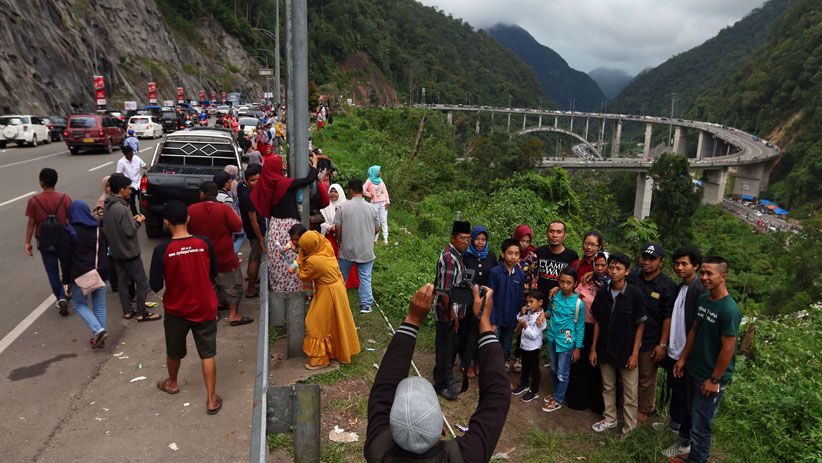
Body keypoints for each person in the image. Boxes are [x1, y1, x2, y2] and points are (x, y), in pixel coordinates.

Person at [364, 284, 510, 462]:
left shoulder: (378, 450)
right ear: (442, 427)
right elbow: (498, 396)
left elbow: (383, 389)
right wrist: (484, 320)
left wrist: (413, 319)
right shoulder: (464, 457)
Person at [150, 201, 222, 415]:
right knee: (207, 353)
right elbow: (214, 272)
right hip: (205, 306)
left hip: (176, 310)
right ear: (188, 219)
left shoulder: (162, 250)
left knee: (174, 350)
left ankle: (172, 382)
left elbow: (155, 285)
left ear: (166, 222)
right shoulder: (204, 243)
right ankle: (211, 400)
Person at [673, 256, 741, 463]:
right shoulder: (704, 299)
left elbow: (728, 349)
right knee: (690, 413)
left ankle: (697, 459)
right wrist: (683, 357)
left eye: (709, 273)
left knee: (701, 425)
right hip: (694, 368)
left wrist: (715, 380)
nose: (703, 277)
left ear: (723, 277)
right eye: (702, 272)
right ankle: (689, 453)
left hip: (709, 377)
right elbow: (694, 329)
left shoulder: (729, 310)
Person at [589, 252, 646, 435]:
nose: (613, 271)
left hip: (626, 351)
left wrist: (635, 353)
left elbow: (640, 325)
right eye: (611, 267)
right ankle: (610, 419)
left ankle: (630, 429)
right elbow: (597, 321)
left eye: (618, 268)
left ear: (627, 271)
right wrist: (593, 349)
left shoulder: (635, 294)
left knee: (630, 393)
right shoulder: (603, 293)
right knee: (608, 386)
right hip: (605, 348)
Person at [251, 153, 319, 294]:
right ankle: (295, 297)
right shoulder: (284, 184)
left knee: (277, 263)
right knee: (294, 260)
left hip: (275, 227)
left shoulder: (265, 184)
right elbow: (308, 179)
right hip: (289, 228)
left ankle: (278, 298)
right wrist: (315, 164)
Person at [662, 246, 706, 459]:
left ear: (695, 266)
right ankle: (674, 424)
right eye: (677, 264)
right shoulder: (681, 288)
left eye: (684, 264)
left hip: (687, 356)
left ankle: (684, 443)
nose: (679, 267)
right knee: (677, 391)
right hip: (675, 350)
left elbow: (697, 328)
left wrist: (684, 356)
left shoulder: (700, 291)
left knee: (688, 399)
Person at [188, 182, 251, 326]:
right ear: (216, 194)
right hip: (225, 256)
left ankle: (214, 313)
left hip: (203, 256)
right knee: (233, 284)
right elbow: (238, 226)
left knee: (210, 284)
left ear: (202, 194)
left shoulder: (191, 210)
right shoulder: (224, 209)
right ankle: (233, 314)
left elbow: (187, 229)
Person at [296, 231, 361, 369]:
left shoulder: (314, 261)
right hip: (337, 287)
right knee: (334, 321)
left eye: (304, 248)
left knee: (315, 323)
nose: (302, 251)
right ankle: (335, 352)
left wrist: (298, 261)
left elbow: (303, 275)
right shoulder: (325, 247)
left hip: (328, 291)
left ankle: (320, 359)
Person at [628, 242, 677, 423]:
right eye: (644, 257)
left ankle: (644, 409)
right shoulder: (633, 275)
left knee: (646, 377)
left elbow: (668, 316)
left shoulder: (667, 285)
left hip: (651, 338)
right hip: (629, 335)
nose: (646, 262)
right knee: (627, 373)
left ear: (661, 262)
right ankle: (627, 405)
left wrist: (662, 344)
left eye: (652, 259)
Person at [102, 175, 160, 322]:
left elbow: (112, 227)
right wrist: (139, 221)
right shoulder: (122, 208)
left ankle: (127, 310)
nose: (130, 191)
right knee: (142, 282)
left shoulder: (107, 205)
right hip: (129, 252)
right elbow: (129, 231)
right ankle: (142, 312)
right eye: (128, 188)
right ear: (121, 190)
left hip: (116, 251)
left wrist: (131, 220)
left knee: (123, 282)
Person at [59, 200, 110, 348]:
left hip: (80, 275)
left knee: (79, 304)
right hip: (100, 272)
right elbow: (104, 249)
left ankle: (99, 331)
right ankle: (101, 336)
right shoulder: (98, 229)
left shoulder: (69, 231)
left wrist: (66, 280)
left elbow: (65, 259)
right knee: (99, 305)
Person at [431, 220, 472, 401]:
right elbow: (445, 291)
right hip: (447, 311)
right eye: (462, 238)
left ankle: (443, 376)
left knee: (450, 346)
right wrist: (452, 315)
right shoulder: (449, 258)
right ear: (453, 238)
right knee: (446, 347)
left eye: (468, 239)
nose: (466, 242)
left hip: (454, 309)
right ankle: (442, 385)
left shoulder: (457, 255)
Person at [24, 168, 72, 315]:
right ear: (55, 181)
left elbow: (31, 223)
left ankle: (60, 297)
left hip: (44, 241)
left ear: (41, 182)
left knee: (52, 270)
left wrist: (28, 242)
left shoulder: (34, 200)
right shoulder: (65, 198)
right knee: (66, 267)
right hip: (63, 239)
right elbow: (70, 220)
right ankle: (68, 290)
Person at [565, 250, 608, 413]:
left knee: (597, 366)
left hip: (602, 330)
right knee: (580, 363)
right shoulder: (586, 281)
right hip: (583, 327)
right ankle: (578, 399)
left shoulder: (612, 285)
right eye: (597, 264)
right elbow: (572, 297)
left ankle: (596, 403)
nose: (600, 268)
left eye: (604, 265)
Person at [334, 178, 380, 313]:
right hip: (366, 249)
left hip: (347, 248)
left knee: (341, 276)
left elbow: (338, 227)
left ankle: (339, 302)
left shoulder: (343, 206)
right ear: (362, 190)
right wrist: (369, 236)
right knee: (365, 277)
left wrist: (340, 240)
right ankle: (365, 305)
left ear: (350, 190)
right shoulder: (371, 208)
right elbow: (377, 228)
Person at [542, 267, 585, 412]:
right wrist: (542, 315)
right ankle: (557, 393)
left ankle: (559, 399)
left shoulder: (578, 303)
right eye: (562, 282)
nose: (565, 285)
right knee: (553, 368)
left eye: (568, 282)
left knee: (563, 372)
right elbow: (549, 311)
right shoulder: (555, 296)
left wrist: (578, 348)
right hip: (552, 338)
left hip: (566, 343)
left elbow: (580, 327)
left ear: (575, 283)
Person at [462, 226, 496, 377]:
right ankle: (467, 362)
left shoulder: (491, 256)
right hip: (469, 300)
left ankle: (478, 362)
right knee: (468, 331)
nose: (480, 242)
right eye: (477, 239)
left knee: (481, 331)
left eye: (483, 239)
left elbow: (494, 277)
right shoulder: (466, 256)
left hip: (485, 300)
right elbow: (462, 278)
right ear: (472, 239)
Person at [488, 238, 526, 371]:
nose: (513, 256)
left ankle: (501, 369)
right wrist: (492, 321)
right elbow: (490, 298)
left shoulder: (520, 275)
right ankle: (493, 373)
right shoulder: (495, 273)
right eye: (510, 253)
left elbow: (520, 298)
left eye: (516, 253)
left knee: (506, 347)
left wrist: (519, 318)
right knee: (494, 346)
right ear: (503, 254)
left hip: (511, 319)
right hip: (496, 318)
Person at [320, 183, 359, 289]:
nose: (332, 194)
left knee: (346, 259)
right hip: (330, 238)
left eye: (335, 192)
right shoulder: (325, 207)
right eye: (331, 192)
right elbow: (322, 222)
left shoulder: (346, 206)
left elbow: (351, 221)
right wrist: (329, 227)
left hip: (344, 238)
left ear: (339, 193)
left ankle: (348, 282)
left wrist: (339, 228)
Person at [237, 164, 267, 298]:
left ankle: (252, 280)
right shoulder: (248, 196)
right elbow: (253, 221)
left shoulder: (250, 192)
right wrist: (261, 239)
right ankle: (250, 289)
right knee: (255, 258)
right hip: (256, 232)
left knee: (253, 257)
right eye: (252, 180)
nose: (256, 182)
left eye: (257, 179)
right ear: (247, 181)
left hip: (255, 231)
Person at [512, 289, 546, 403]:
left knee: (534, 369)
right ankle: (524, 384)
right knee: (525, 366)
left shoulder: (541, 318)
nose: (529, 304)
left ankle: (534, 390)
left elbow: (533, 335)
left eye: (531, 302)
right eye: (527, 302)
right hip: (524, 346)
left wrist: (525, 325)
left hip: (533, 348)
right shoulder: (530, 313)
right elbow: (519, 319)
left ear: (540, 302)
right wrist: (522, 313)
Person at [535, 220, 579, 300]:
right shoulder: (539, 252)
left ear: (565, 235)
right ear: (546, 233)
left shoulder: (572, 255)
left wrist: (559, 287)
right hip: (539, 300)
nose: (554, 235)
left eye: (559, 232)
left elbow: (574, 280)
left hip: (561, 301)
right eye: (551, 231)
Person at [115, 144, 146, 215]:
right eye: (129, 154)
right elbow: (119, 174)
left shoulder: (136, 158)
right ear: (125, 154)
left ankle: (142, 214)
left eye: (132, 153)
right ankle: (135, 215)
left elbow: (144, 166)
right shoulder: (121, 162)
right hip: (129, 186)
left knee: (142, 200)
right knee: (131, 202)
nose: (131, 155)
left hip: (139, 183)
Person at [363, 165, 390, 244]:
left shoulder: (380, 180)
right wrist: (370, 195)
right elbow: (363, 190)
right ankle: (375, 238)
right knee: (375, 220)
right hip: (374, 203)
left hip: (383, 202)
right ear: (374, 172)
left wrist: (387, 201)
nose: (380, 172)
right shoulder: (369, 180)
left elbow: (385, 190)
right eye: (379, 171)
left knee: (384, 220)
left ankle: (385, 238)